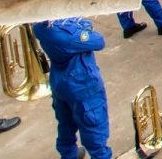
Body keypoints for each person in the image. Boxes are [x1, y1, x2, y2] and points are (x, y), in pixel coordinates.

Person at [32, 17, 111, 159]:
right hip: (83, 87)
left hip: (60, 84)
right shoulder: (66, 36)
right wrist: (80, 26)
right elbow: (98, 41)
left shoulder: (39, 27)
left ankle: (68, 155)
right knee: (95, 134)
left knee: (66, 126)